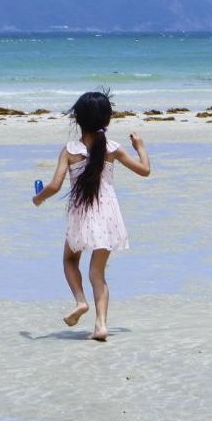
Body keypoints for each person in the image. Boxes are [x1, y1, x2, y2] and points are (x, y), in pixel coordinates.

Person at [32, 90, 150, 341]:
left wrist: (38, 198)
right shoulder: (113, 149)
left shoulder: (69, 149)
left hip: (81, 215)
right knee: (98, 274)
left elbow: (54, 186)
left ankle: (80, 301)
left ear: (77, 119)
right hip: (108, 216)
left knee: (69, 260)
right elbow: (145, 170)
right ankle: (101, 325)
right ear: (107, 121)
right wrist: (140, 147)